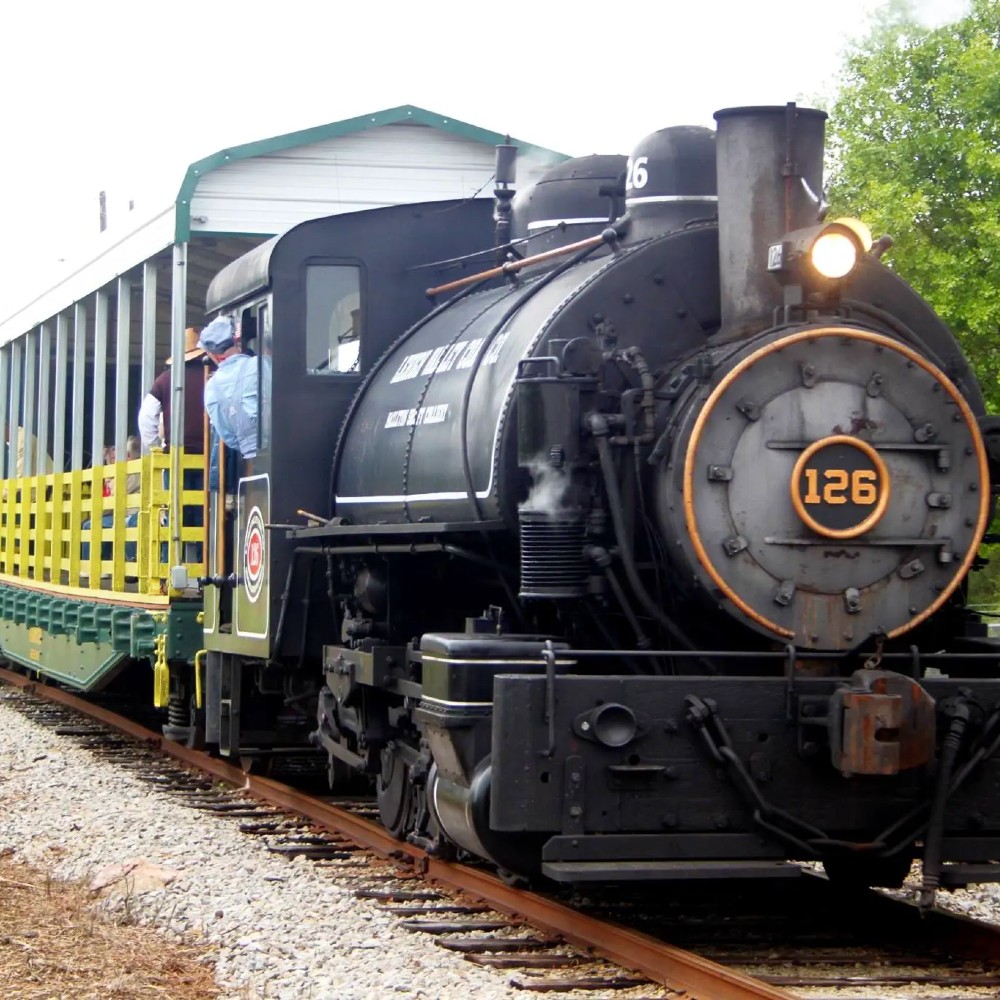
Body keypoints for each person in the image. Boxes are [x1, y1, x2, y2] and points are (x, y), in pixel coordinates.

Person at [137, 327, 208, 456]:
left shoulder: (165, 379)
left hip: (176, 457)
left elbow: (146, 417)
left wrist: (157, 447)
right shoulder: (213, 374)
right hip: (210, 455)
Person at [199, 316, 259, 460]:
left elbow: (228, 437)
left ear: (212, 354)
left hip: (249, 456)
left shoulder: (211, 389)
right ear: (236, 341)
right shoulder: (262, 365)